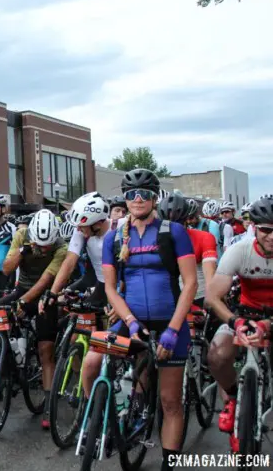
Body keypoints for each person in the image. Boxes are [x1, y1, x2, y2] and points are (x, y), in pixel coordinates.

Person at [83, 168, 197, 471]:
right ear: (125, 197)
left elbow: (190, 283)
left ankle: (167, 464)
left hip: (169, 324)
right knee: (92, 363)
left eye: (144, 194)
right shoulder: (114, 237)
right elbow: (109, 287)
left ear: (154, 197)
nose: (137, 199)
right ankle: (103, 423)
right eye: (131, 194)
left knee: (170, 401)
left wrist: (174, 330)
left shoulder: (173, 232)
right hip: (130, 321)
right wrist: (130, 322)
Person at [204, 197, 273, 454]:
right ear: (254, 227)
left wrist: (268, 325)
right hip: (244, 314)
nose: (272, 236)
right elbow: (212, 296)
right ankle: (233, 397)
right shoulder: (240, 250)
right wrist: (235, 321)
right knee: (217, 355)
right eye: (266, 229)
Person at [1, 209, 68, 429]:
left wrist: (23, 303)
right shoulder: (22, 236)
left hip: (46, 294)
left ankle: (49, 403)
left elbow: (45, 281)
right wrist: (23, 249)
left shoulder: (61, 247)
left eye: (45, 246)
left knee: (45, 350)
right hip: (22, 288)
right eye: (38, 244)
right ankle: (5, 360)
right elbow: (6, 268)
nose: (41, 249)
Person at [46, 192, 111, 315]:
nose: (77, 229)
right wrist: (53, 293)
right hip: (100, 284)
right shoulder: (81, 231)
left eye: (81, 226)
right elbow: (69, 262)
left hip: (117, 286)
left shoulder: (118, 228)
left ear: (97, 223)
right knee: (64, 307)